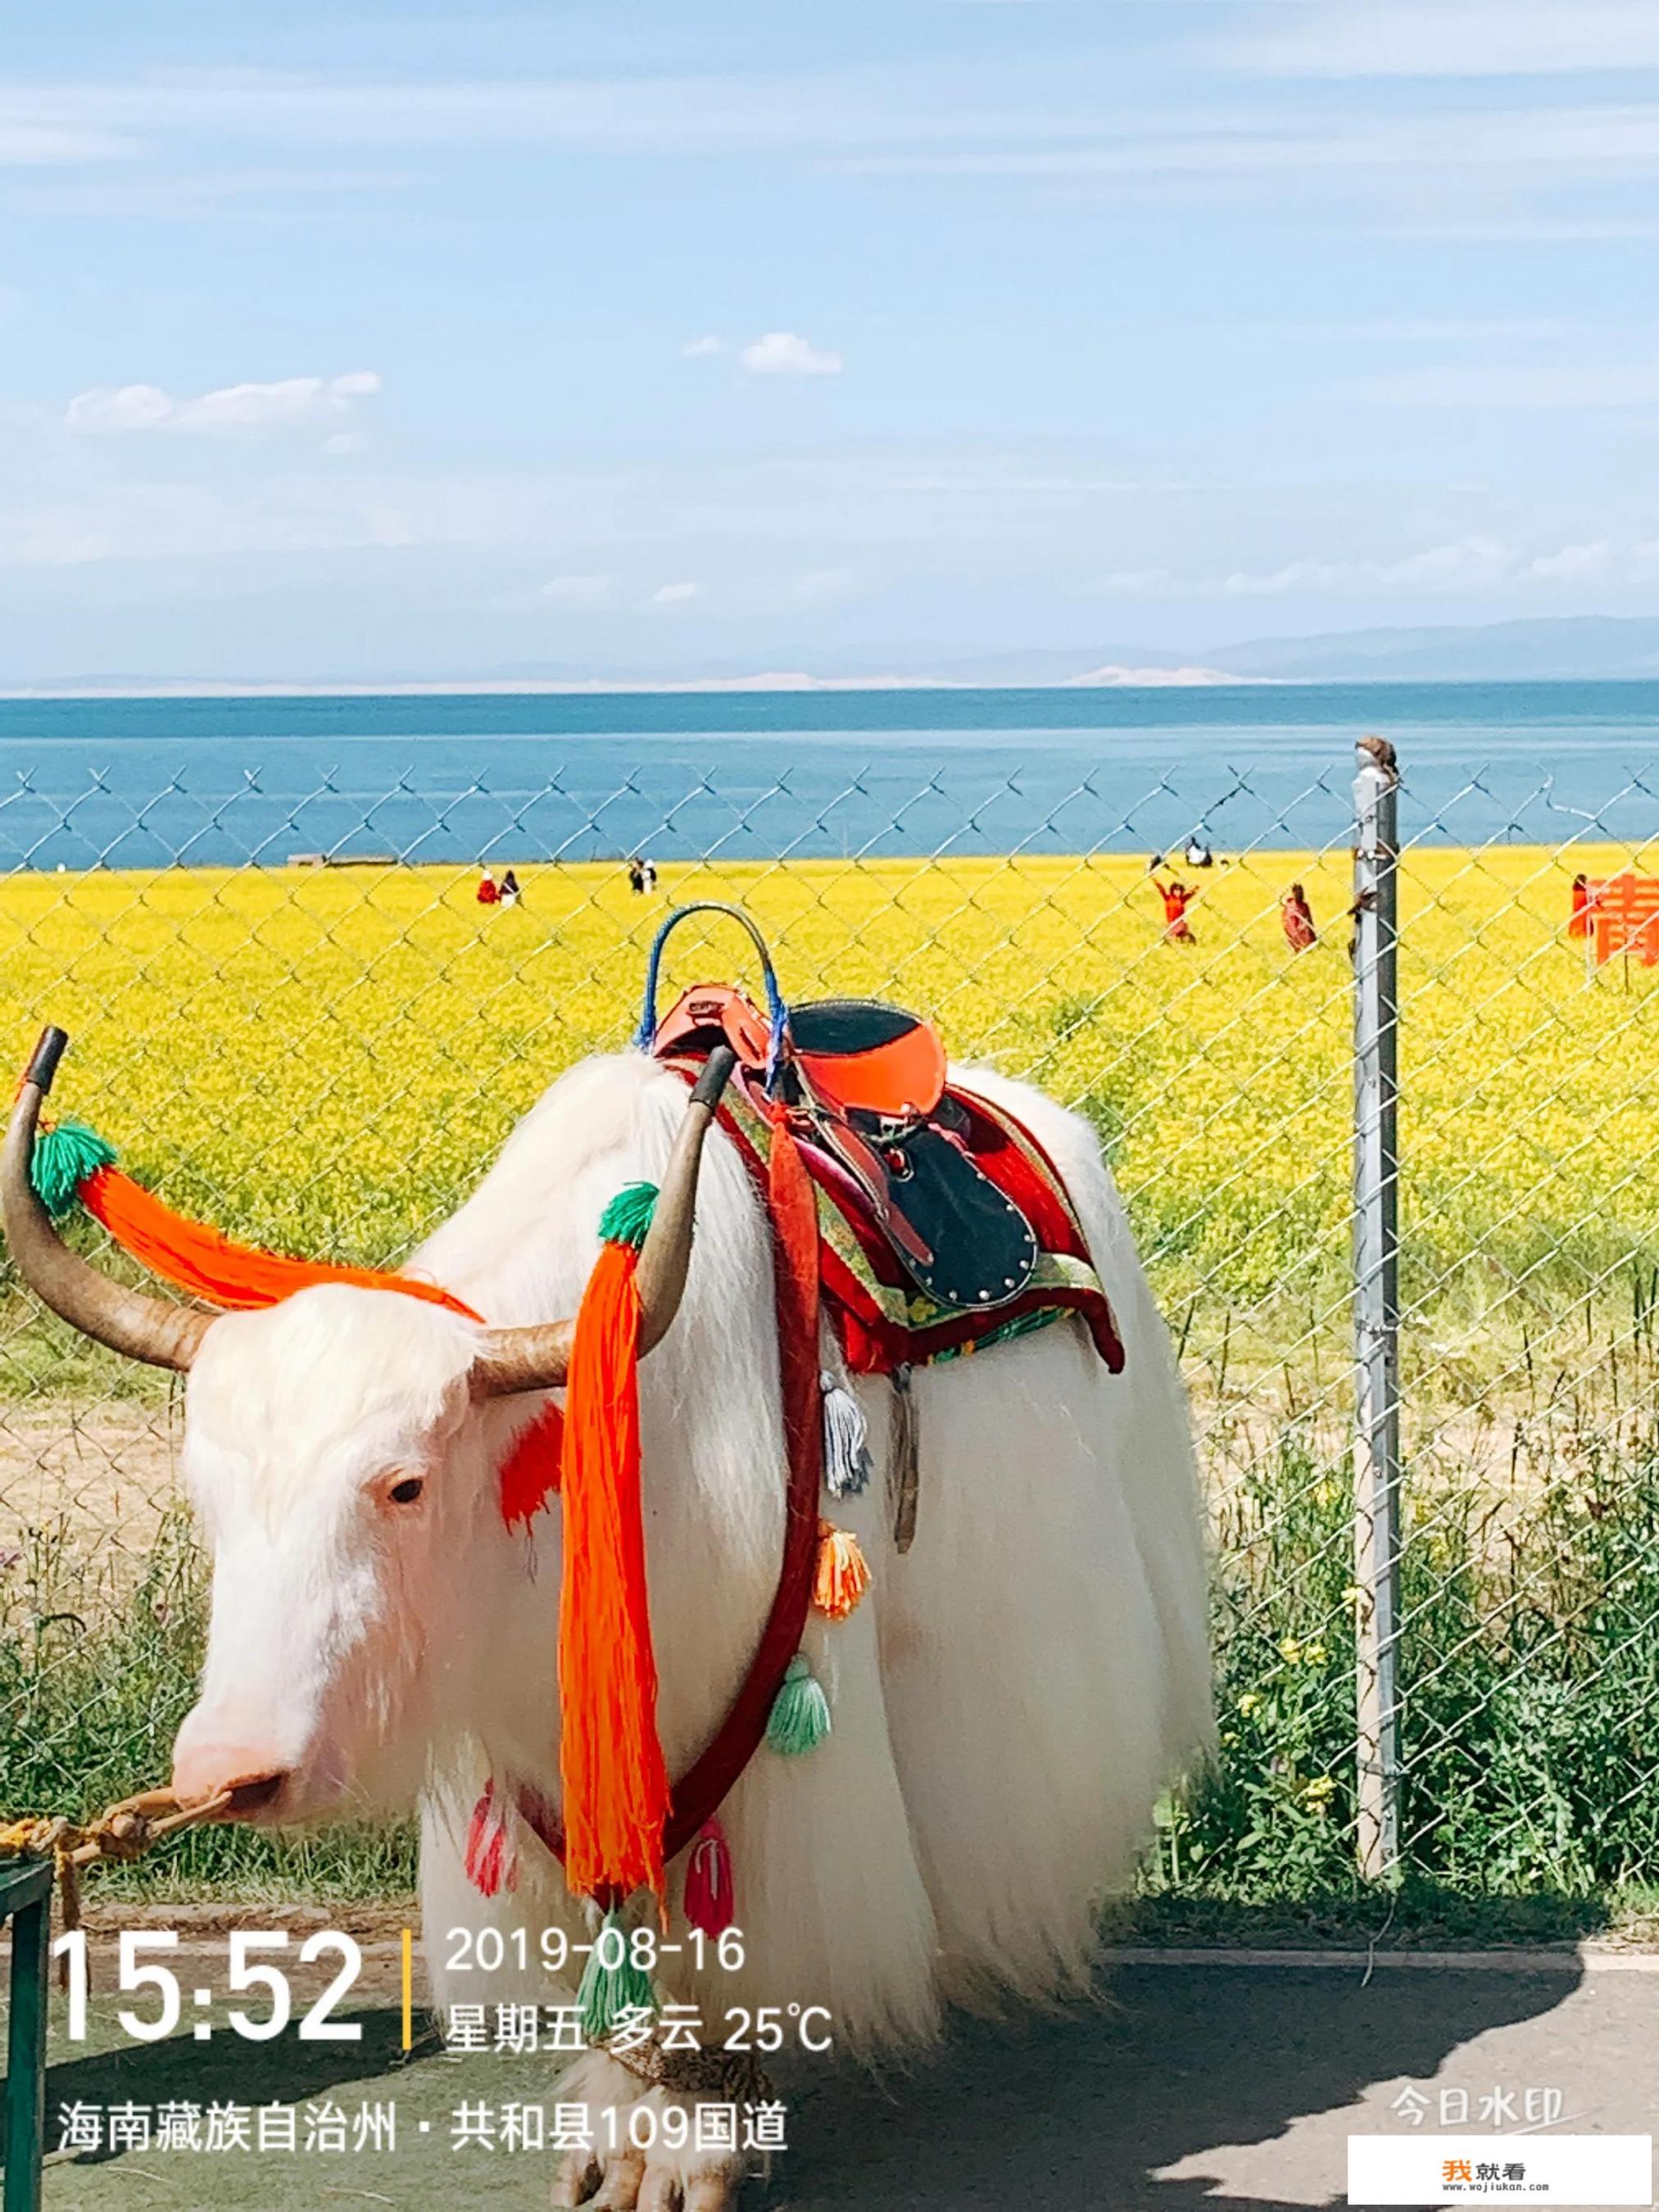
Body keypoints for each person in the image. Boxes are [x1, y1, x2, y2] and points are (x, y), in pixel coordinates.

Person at [1152, 875, 1198, 944]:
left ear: (1182, 891)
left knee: (1183, 939)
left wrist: (1194, 886)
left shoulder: (1182, 899)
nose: (1177, 892)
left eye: (1179, 890)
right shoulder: (1168, 898)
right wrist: (1154, 879)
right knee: (1168, 938)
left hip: (1180, 924)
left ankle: (1187, 942)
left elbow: (1193, 890)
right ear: (1172, 890)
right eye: (1176, 890)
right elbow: (1161, 888)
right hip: (1171, 924)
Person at [1281, 882, 1317, 952]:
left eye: (1301, 893)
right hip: (1292, 931)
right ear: (1293, 893)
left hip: (1303, 931)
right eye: (1298, 893)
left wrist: (1313, 934)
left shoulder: (1304, 905)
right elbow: (1285, 920)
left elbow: (1310, 920)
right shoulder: (1289, 905)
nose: (1301, 895)